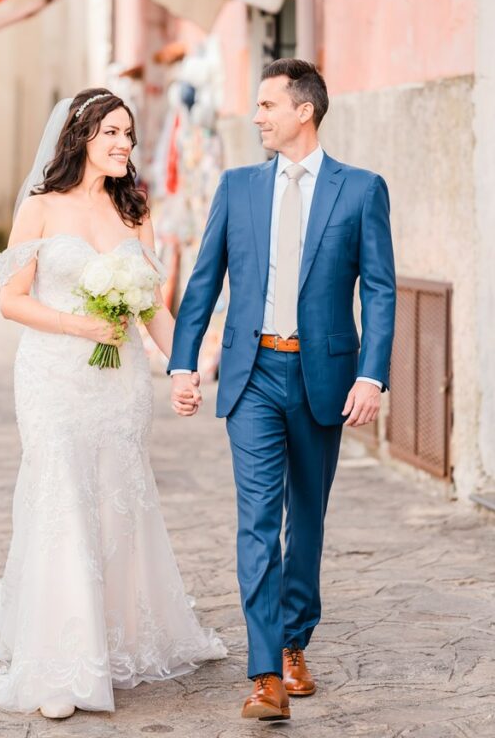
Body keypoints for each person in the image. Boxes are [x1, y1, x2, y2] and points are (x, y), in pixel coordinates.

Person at [0, 88, 225, 719]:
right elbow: (11, 301)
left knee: (113, 499)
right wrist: (82, 328)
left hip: (119, 385)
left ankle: (116, 637)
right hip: (52, 377)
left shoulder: (135, 213)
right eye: (111, 132)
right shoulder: (42, 209)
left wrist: (180, 366)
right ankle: (61, 663)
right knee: (62, 496)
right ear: (80, 138)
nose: (123, 144)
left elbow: (154, 307)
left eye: (128, 133)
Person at [169, 59, 396, 722]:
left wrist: (371, 373)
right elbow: (203, 282)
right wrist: (184, 364)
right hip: (253, 376)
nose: (256, 115)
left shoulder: (360, 190)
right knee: (256, 522)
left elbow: (379, 289)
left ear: (304, 110)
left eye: (267, 104)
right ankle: (265, 671)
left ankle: (295, 639)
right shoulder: (236, 189)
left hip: (321, 375)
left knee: (308, 519)